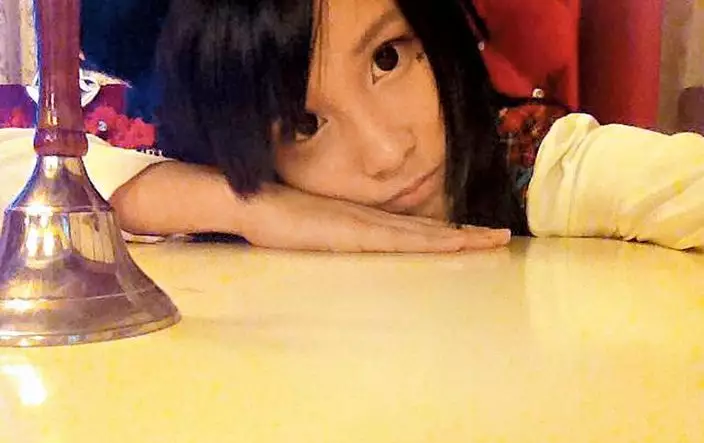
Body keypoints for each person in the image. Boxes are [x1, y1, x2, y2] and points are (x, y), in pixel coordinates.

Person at [1, 0, 702, 253]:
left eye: (387, 58)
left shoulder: (519, 153)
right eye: (305, 125)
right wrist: (247, 207)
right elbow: (32, 174)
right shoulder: (221, 187)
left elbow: (659, 183)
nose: (387, 151)